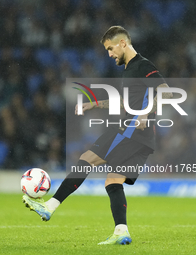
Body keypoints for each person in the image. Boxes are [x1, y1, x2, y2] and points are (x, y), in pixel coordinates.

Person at [22, 26, 173, 245]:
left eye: (111, 49)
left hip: (130, 131)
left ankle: (49, 207)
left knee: (88, 159)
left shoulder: (143, 65)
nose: (110, 54)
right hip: (143, 138)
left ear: (123, 43)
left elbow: (166, 92)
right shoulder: (130, 70)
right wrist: (94, 104)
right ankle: (121, 231)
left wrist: (145, 113)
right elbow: (124, 101)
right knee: (113, 181)